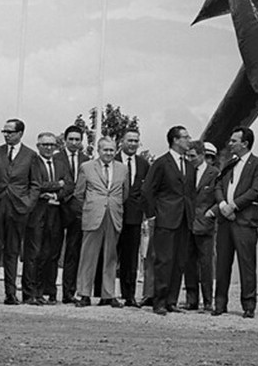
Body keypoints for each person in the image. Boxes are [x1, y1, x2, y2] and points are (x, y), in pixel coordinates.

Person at [0, 118, 41, 306]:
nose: (6, 135)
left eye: (10, 132)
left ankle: (11, 293)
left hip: (18, 207)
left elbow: (36, 184)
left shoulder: (31, 155)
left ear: (20, 133)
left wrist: (28, 203)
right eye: (4, 132)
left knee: (12, 251)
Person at [211, 126, 258, 318]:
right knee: (222, 264)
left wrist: (233, 206)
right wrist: (223, 204)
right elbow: (218, 184)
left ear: (245, 143)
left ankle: (248, 305)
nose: (230, 144)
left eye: (234, 141)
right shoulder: (228, 163)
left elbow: (255, 190)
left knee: (247, 264)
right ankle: (219, 303)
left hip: (244, 221)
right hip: (225, 221)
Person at [142, 125, 194, 315]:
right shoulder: (162, 163)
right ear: (175, 140)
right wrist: (152, 215)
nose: (189, 140)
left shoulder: (189, 165)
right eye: (186, 137)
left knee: (179, 261)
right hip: (166, 218)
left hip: (184, 218)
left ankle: (172, 300)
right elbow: (148, 190)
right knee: (164, 260)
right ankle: (159, 301)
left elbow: (190, 193)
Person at [73, 137, 125, 307]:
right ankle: (84, 294)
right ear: (98, 150)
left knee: (111, 256)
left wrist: (114, 205)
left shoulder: (123, 169)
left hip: (113, 215)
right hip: (93, 215)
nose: (109, 153)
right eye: (105, 150)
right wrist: (91, 206)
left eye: (111, 150)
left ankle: (108, 294)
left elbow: (125, 194)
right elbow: (79, 193)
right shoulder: (86, 168)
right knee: (88, 255)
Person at [22, 131, 62, 305]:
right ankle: (29, 293)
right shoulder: (32, 162)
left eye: (52, 144)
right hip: (36, 213)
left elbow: (67, 184)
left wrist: (55, 195)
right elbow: (36, 185)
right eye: (45, 144)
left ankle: (40, 292)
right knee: (33, 254)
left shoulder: (60, 163)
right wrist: (55, 186)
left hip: (54, 214)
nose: (48, 148)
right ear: (38, 146)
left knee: (47, 254)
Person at [116, 129, 149, 308]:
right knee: (109, 254)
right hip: (113, 214)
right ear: (122, 141)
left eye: (136, 141)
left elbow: (147, 190)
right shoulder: (111, 160)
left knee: (131, 259)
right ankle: (103, 293)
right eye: (129, 140)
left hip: (134, 217)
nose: (133, 144)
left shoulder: (144, 164)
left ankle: (129, 295)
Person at [185, 139, 218, 311]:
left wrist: (211, 213)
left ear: (202, 155)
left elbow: (220, 198)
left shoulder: (214, 174)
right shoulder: (186, 172)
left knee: (206, 264)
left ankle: (207, 300)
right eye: (188, 156)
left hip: (205, 225)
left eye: (192, 156)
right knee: (189, 263)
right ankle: (191, 299)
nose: (190, 159)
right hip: (188, 224)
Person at [55, 125, 87, 304]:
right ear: (65, 140)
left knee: (73, 252)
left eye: (77, 139)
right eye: (71, 139)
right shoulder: (56, 157)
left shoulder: (87, 160)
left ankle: (69, 292)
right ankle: (49, 291)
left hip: (78, 211)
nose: (74, 142)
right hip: (58, 207)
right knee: (52, 250)